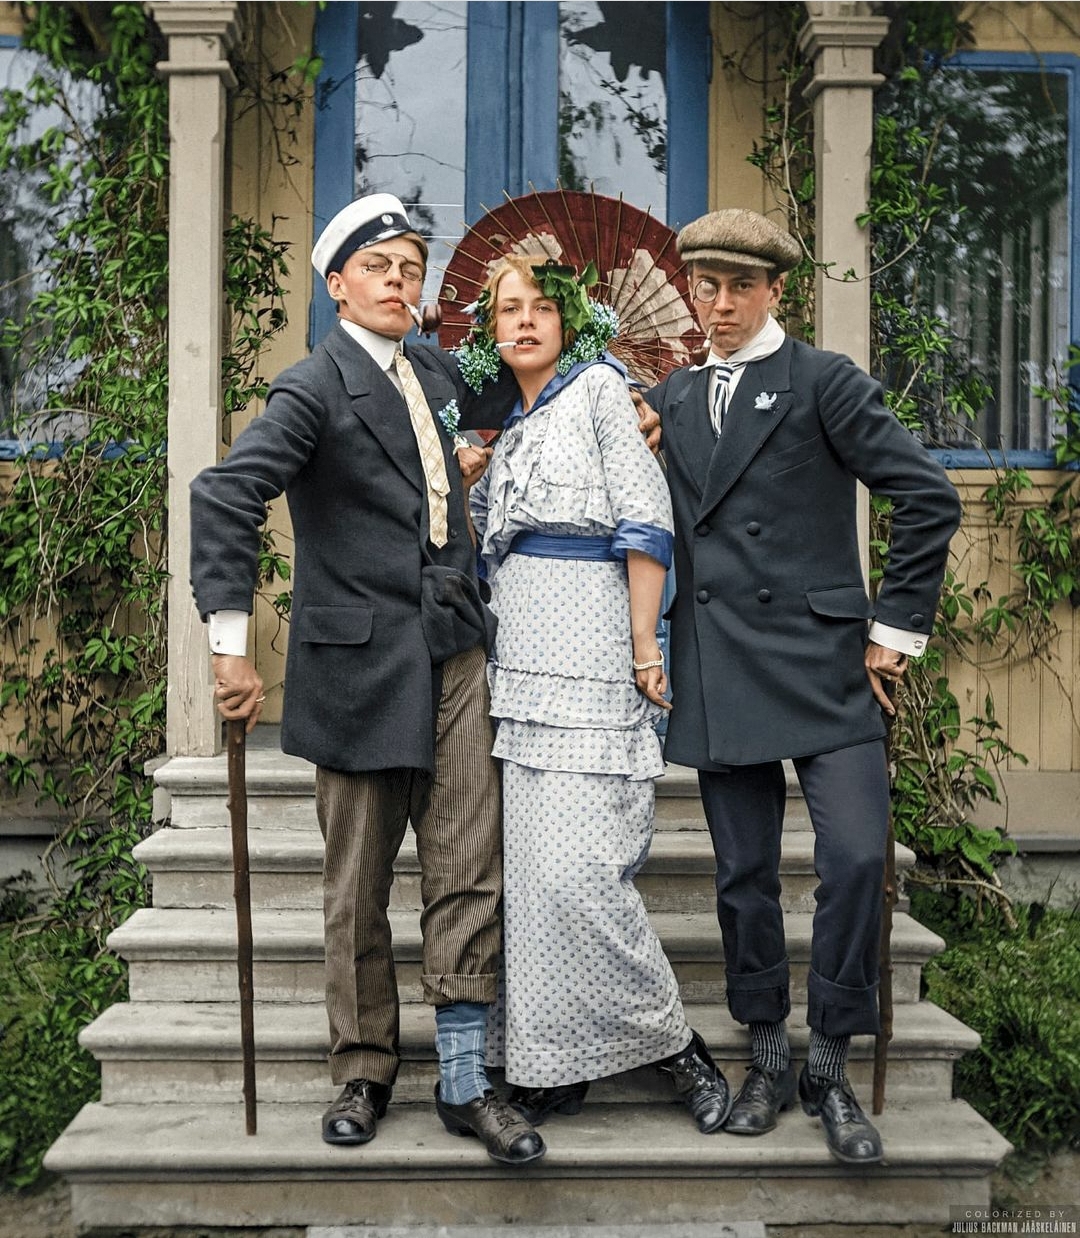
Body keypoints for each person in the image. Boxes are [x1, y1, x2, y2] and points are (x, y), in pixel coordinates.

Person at [188, 193, 546, 1165]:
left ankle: (468, 1078)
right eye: (378, 266)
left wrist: (626, 404)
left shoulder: (431, 367)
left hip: (455, 648)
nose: (397, 280)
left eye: (409, 267)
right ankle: (363, 1063)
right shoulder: (310, 387)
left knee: (469, 862)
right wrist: (230, 643)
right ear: (336, 282)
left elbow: (506, 395)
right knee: (356, 881)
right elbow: (225, 492)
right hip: (355, 664)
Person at [646, 208, 962, 1163]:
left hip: (828, 664)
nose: (723, 304)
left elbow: (927, 495)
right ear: (691, 291)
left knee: (860, 858)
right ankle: (767, 1052)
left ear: (778, 290)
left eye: (742, 287)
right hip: (720, 659)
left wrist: (893, 635)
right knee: (743, 878)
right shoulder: (671, 395)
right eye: (707, 286)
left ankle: (829, 1054)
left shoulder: (823, 381)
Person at [462, 254, 732, 1134]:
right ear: (491, 330)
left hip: (594, 656)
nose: (526, 321)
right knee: (534, 883)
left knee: (584, 876)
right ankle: (551, 1062)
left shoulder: (602, 393)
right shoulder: (510, 427)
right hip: (518, 669)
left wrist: (644, 647)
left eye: (543, 306)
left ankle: (674, 1046)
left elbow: (646, 524)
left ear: (570, 320)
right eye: (510, 309)